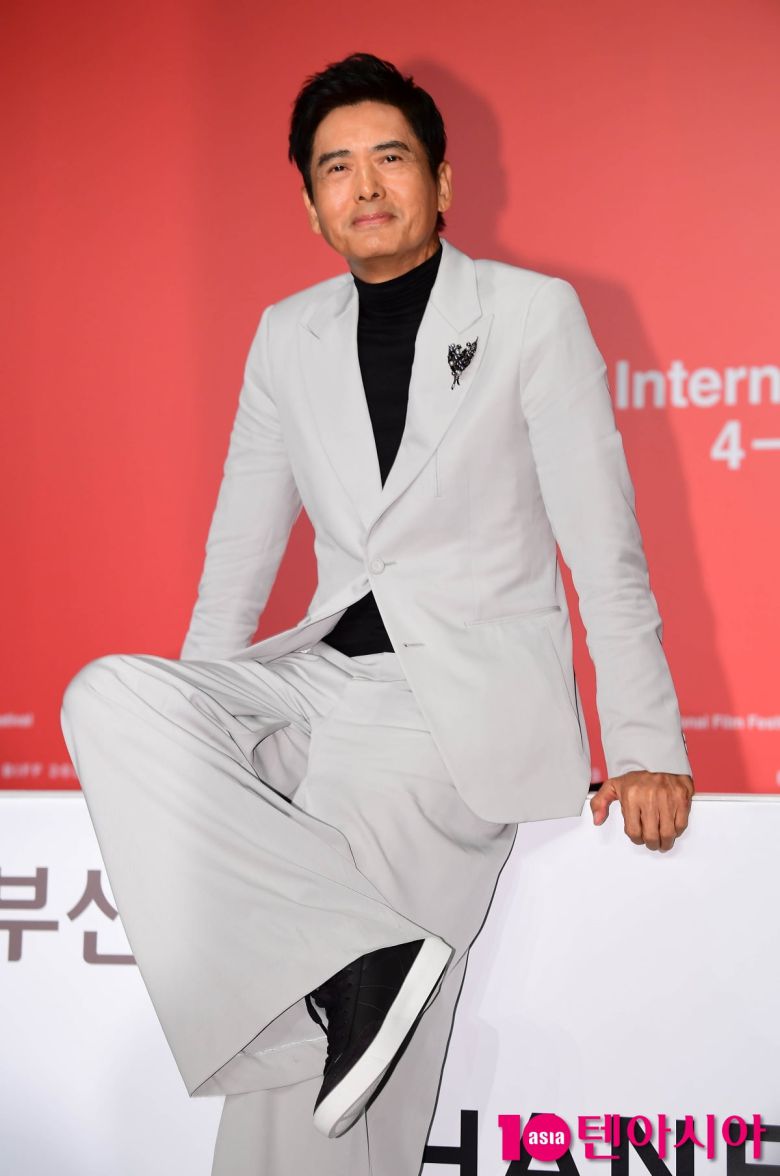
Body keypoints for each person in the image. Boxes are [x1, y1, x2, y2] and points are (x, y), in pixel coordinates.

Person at [60, 52, 695, 1176]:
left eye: (390, 158)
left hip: (445, 708)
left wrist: (647, 745)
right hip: (313, 678)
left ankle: (364, 967)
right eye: (335, 167)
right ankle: (368, 958)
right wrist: (209, 727)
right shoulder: (285, 333)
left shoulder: (530, 315)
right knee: (108, 695)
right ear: (310, 205)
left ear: (441, 182)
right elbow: (240, 553)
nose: (364, 185)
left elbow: (605, 549)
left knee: (326, 1077)